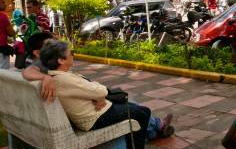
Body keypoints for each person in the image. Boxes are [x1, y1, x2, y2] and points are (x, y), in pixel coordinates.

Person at [22, 33, 175, 141]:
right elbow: (28, 72)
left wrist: (98, 94)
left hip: (86, 98)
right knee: (130, 104)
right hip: (89, 111)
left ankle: (155, 129)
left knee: (126, 101)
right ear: (37, 52)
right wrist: (46, 77)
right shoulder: (43, 67)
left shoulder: (49, 67)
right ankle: (155, 129)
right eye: (49, 44)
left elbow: (84, 85)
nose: (53, 45)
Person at [39, 40, 155, 149]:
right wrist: (98, 95)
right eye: (71, 52)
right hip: (94, 117)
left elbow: (94, 88)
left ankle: (141, 144)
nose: (73, 54)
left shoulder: (59, 76)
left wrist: (98, 94)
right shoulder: (63, 79)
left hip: (95, 110)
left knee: (135, 108)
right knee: (143, 112)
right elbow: (99, 90)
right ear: (61, 60)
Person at [0, 0, 15, 70]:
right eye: (2, 2)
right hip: (1, 50)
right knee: (3, 74)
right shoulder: (3, 16)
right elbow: (11, 33)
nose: (5, 4)